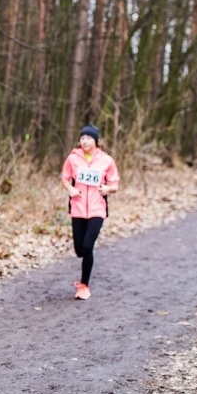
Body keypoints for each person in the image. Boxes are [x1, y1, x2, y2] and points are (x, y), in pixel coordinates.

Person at [60, 124, 119, 300]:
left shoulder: (106, 160)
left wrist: (107, 189)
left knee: (88, 246)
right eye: (82, 138)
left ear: (96, 140)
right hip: (77, 208)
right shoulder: (72, 158)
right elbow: (64, 178)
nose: (85, 141)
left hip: (97, 209)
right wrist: (70, 189)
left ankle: (84, 286)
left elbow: (115, 185)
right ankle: (83, 280)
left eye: (88, 138)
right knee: (79, 250)